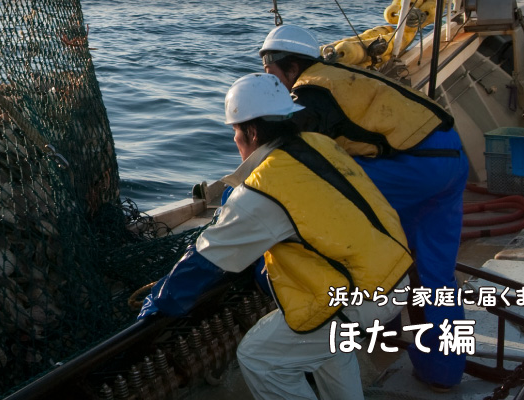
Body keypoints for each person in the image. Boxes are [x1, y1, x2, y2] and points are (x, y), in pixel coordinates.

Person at [139, 73, 413, 400]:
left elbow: (204, 261)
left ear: (252, 132)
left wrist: (154, 307)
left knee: (260, 357)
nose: (235, 140)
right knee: (329, 346)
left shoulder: (263, 190)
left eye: (235, 132)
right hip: (396, 275)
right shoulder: (320, 145)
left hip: (361, 296)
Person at [258, 24, 470, 391]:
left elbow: (288, 157)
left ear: (289, 66)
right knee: (435, 276)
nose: (266, 75)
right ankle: (443, 373)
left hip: (412, 168)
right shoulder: (341, 75)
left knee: (339, 224)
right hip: (452, 159)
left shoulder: (309, 90)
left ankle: (362, 329)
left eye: (268, 67)